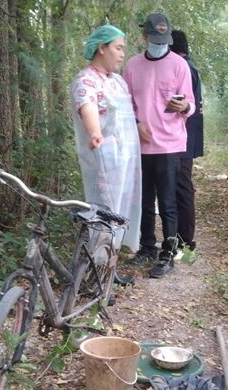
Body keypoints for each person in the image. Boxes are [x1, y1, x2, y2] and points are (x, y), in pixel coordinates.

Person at [122, 13, 195, 278]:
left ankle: (168, 253)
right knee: (143, 201)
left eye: (164, 39)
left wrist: (184, 106)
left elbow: (191, 105)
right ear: (144, 37)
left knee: (168, 202)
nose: (159, 43)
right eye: (154, 39)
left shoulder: (179, 65)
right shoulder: (132, 66)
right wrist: (135, 122)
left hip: (170, 145)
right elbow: (126, 104)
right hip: (141, 145)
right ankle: (147, 246)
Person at [70, 24, 141, 282]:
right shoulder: (85, 80)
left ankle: (109, 270)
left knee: (118, 216)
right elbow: (86, 106)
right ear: (102, 48)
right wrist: (94, 132)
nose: (123, 54)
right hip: (102, 163)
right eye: (118, 48)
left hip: (123, 164)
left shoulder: (118, 82)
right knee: (102, 218)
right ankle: (97, 277)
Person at [169, 30, 204, 254]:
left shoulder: (183, 69)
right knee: (179, 188)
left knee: (182, 188)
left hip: (183, 140)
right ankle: (180, 239)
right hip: (184, 140)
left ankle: (185, 242)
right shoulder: (188, 67)